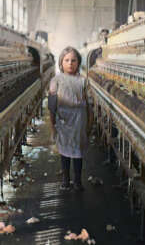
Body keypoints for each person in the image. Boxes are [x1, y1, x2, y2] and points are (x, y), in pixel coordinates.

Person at [48, 46, 91, 191]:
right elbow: (51, 105)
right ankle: (66, 180)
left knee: (78, 151)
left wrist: (89, 124)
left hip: (79, 119)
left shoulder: (83, 81)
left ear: (78, 62)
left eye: (73, 60)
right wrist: (52, 124)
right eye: (66, 60)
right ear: (61, 62)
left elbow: (88, 104)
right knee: (64, 150)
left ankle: (78, 181)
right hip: (63, 119)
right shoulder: (56, 80)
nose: (70, 63)